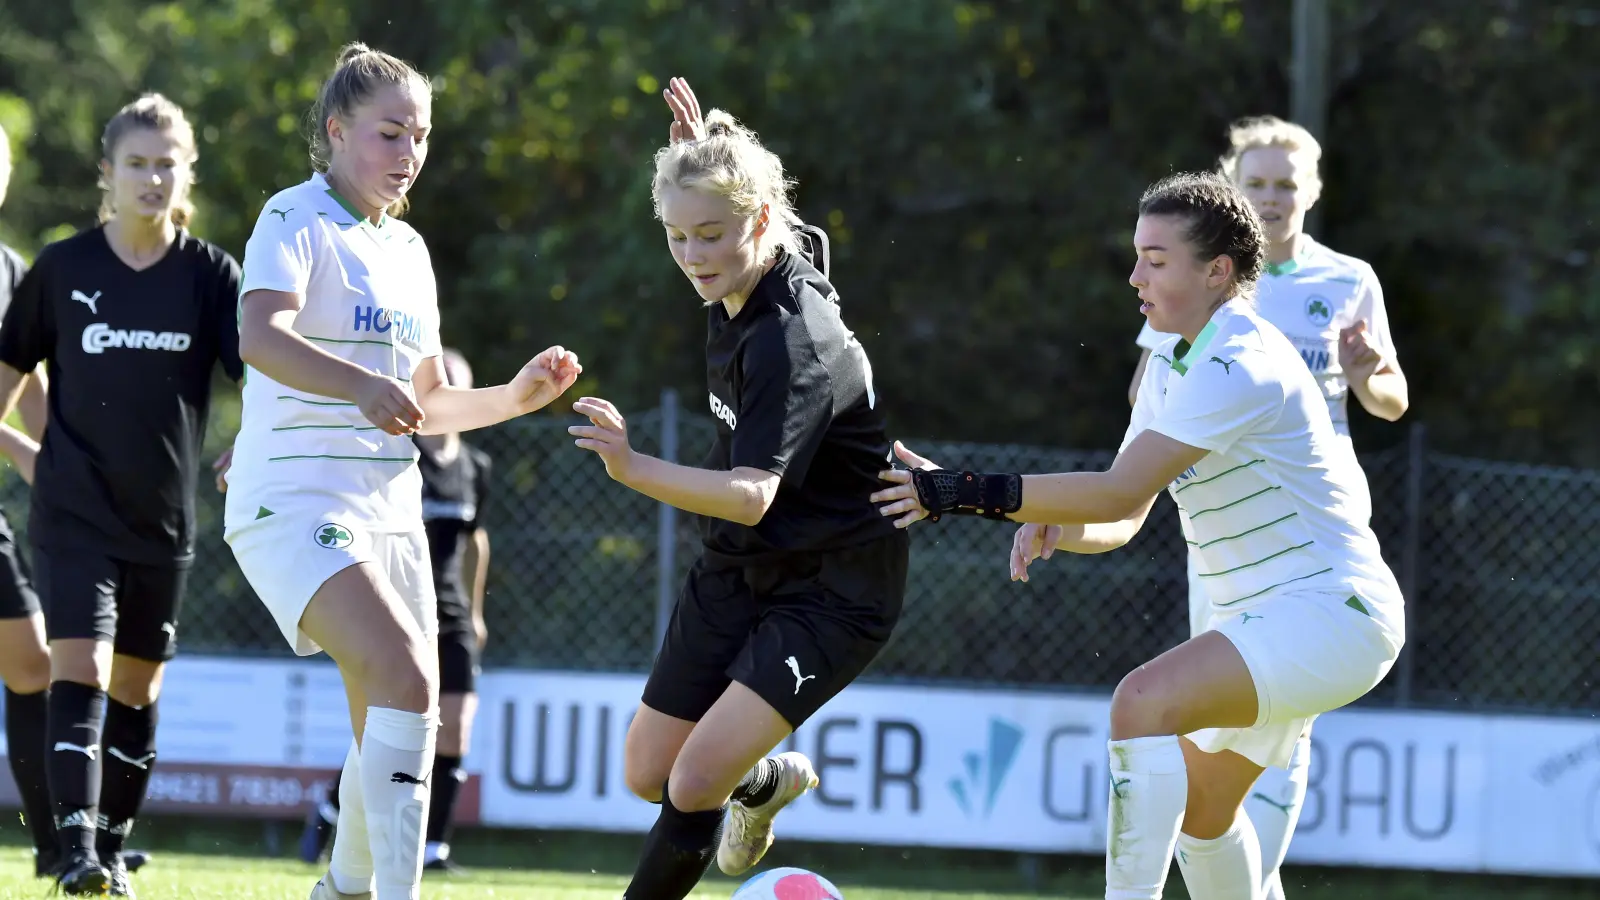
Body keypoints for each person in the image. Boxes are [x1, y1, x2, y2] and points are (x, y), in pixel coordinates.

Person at [873, 172, 1405, 900]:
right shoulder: (1169, 355)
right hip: (1274, 619)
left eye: (1156, 259)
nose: (1134, 276)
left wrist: (960, 492)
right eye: (1136, 255)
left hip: (1332, 613)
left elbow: (1120, 488)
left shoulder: (1240, 361)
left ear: (1217, 272)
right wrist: (1050, 520)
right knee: (1205, 819)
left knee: (1140, 703)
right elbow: (1124, 515)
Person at [219, 43, 579, 900]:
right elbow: (259, 338)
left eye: (420, 136)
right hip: (293, 502)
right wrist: (359, 384)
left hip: (392, 512)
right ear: (337, 132)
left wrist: (514, 397)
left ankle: (340, 889)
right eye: (390, 133)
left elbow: (426, 406)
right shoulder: (291, 217)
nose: (409, 152)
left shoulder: (410, 250)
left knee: (391, 720)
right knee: (413, 681)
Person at [568, 78, 905, 900]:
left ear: (756, 222)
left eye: (710, 235)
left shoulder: (794, 342)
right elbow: (775, 215)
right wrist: (699, 151)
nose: (693, 257)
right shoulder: (760, 257)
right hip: (741, 565)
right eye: (678, 236)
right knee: (649, 771)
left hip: (833, 585)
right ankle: (760, 787)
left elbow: (753, 492)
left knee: (690, 785)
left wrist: (631, 464)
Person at [1125, 115, 1408, 899]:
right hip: (1222, 541)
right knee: (1208, 778)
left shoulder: (1346, 280)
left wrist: (1364, 373)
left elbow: (1391, 401)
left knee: (1261, 751)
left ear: (1312, 192)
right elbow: (1141, 445)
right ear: (1232, 190)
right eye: (1258, 183)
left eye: (1288, 184)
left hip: (1308, 540)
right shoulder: (1187, 289)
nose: (1274, 196)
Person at [0, 94, 244, 897]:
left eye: (166, 163)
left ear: (187, 174)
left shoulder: (211, 276)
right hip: (71, 514)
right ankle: (73, 852)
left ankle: (110, 845)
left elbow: (267, 386)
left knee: (137, 688)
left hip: (163, 521)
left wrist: (254, 444)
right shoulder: (62, 270)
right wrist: (30, 456)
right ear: (106, 173)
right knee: (78, 667)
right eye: (136, 163)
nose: (152, 177)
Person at [294, 347, 493, 876]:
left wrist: (475, 612)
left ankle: (434, 849)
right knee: (390, 725)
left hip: (449, 610)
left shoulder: (475, 467)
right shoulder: (396, 454)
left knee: (455, 729)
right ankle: (331, 811)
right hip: (398, 598)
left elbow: (477, 542)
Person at [0, 118, 60, 879]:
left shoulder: (12, 269)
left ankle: (57, 851)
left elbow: (29, 384)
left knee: (32, 665)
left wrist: (73, 467)